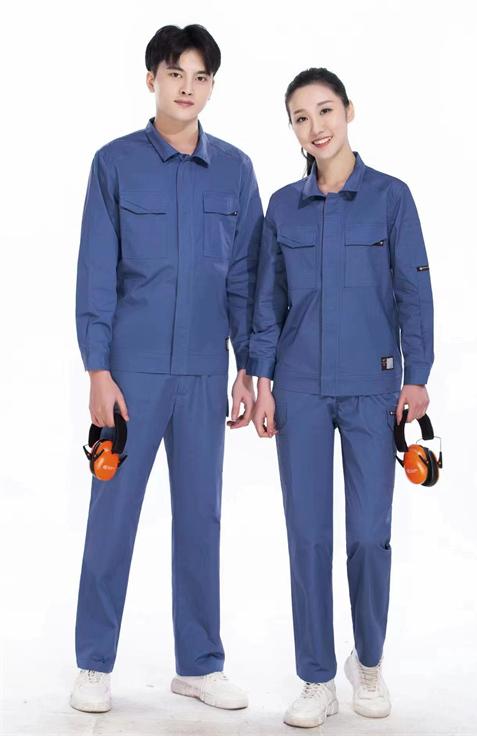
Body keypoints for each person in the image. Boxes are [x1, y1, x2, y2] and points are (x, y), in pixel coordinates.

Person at [71, 24, 263, 713]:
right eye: (176, 73)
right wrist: (97, 368)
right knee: (113, 512)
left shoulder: (236, 170)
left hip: (205, 373)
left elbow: (244, 278)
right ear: (151, 77)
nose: (188, 87)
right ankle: (93, 663)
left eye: (201, 76)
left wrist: (249, 368)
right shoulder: (115, 164)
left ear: (212, 85)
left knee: (201, 517)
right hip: (132, 374)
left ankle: (200, 664)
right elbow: (97, 271)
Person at [247, 67, 434, 728]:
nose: (315, 126)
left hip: (372, 389)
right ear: (293, 129)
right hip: (298, 388)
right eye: (301, 117)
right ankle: (317, 678)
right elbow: (267, 302)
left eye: (324, 110)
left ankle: (369, 662)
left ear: (348, 111)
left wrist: (417, 375)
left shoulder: (391, 198)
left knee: (369, 536)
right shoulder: (282, 207)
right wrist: (261, 379)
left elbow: (414, 291)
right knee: (307, 537)